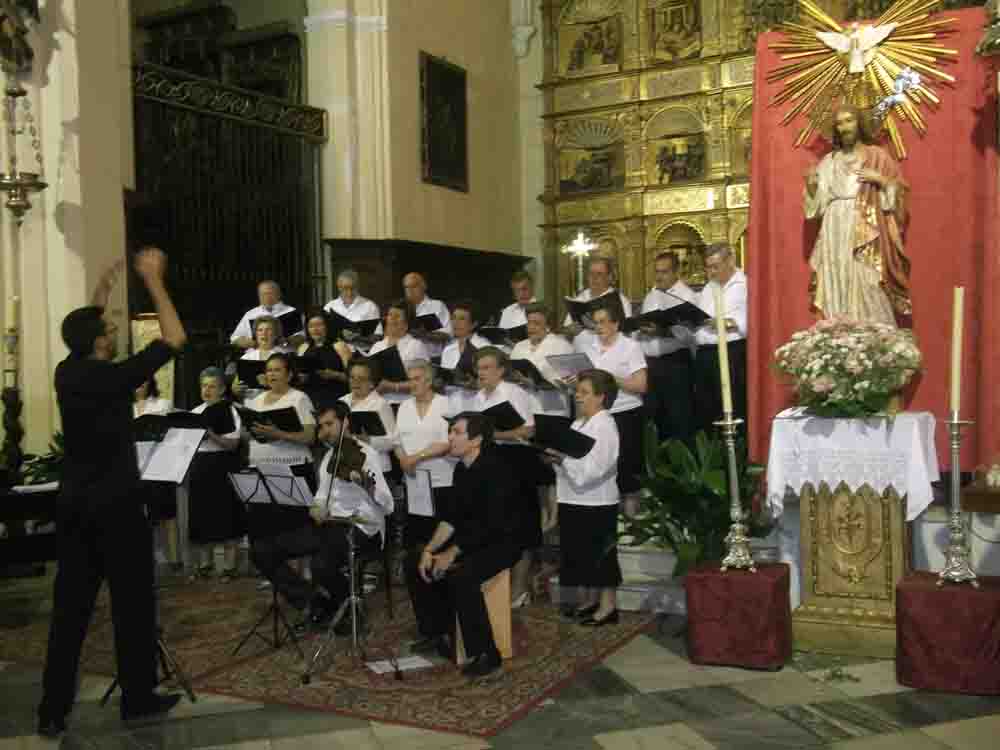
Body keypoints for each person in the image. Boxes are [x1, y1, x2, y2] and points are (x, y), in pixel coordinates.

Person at [39, 248, 187, 736]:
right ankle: (138, 700)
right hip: (117, 505)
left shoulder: (68, 372)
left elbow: (85, 331)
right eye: (107, 331)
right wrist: (154, 280)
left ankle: (52, 710)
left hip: (75, 505)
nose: (114, 332)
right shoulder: (114, 377)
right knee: (132, 604)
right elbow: (175, 338)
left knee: (70, 611)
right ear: (100, 343)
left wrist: (100, 293)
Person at [250, 403, 393, 629]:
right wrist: (316, 507)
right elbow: (321, 496)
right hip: (331, 526)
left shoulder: (366, 454)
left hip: (364, 527)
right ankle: (314, 603)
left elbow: (388, 505)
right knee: (262, 551)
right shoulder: (328, 458)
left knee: (320, 563)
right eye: (321, 426)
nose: (325, 431)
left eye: (330, 424)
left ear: (345, 422)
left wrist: (368, 486)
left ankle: (350, 609)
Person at [408, 413, 520, 678]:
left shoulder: (496, 469)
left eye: (457, 432)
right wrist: (430, 550)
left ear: (477, 439)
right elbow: (451, 519)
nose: (450, 437)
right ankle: (438, 632)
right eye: (450, 431)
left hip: (503, 541)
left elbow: (493, 525)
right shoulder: (461, 468)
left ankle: (487, 655)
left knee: (463, 576)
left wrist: (452, 552)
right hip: (472, 538)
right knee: (413, 559)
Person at [805, 103, 910, 324]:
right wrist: (812, 186)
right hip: (834, 229)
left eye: (849, 121)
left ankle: (877, 338)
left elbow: (899, 192)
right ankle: (841, 336)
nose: (844, 127)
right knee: (838, 280)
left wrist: (880, 179)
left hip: (866, 225)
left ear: (859, 124)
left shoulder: (877, 156)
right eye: (839, 123)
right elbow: (816, 208)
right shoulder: (829, 161)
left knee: (868, 279)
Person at [544, 369, 621, 626]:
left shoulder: (606, 426)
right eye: (577, 392)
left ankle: (608, 606)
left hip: (597, 500)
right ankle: (590, 600)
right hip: (573, 498)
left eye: (584, 393)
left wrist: (563, 460)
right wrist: (556, 460)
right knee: (579, 554)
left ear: (601, 397)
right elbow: (570, 463)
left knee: (601, 556)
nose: (578, 397)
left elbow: (596, 469)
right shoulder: (578, 424)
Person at [473, 346, 539, 607]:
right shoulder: (477, 397)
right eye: (479, 368)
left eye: (487, 368)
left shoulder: (515, 392)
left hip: (517, 462)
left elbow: (529, 430)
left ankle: (520, 588)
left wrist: (496, 434)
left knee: (521, 527)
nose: (481, 373)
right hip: (490, 462)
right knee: (496, 526)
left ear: (501, 370)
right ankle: (496, 586)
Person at [574, 301, 647, 498]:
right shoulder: (589, 347)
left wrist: (610, 378)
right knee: (599, 464)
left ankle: (632, 519)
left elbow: (641, 385)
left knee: (627, 467)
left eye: (603, 322)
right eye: (595, 323)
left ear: (615, 324)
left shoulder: (630, 347)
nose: (598, 327)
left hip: (625, 412)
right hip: (595, 415)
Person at [395, 361, 456, 572]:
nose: (411, 383)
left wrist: (416, 457)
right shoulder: (404, 407)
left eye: (416, 378)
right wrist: (403, 459)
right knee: (417, 540)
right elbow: (397, 441)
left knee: (440, 538)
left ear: (429, 381)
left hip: (442, 481)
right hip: (414, 483)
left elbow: (448, 442)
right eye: (409, 379)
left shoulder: (446, 404)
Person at [186, 367, 244, 583]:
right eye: (203, 386)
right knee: (201, 515)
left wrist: (210, 433)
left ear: (221, 389)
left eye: (212, 386)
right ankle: (204, 564)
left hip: (223, 465)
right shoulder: (195, 412)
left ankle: (229, 567)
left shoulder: (230, 410)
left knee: (226, 515)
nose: (206, 390)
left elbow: (233, 443)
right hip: (200, 465)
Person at [638, 251, 696, 442]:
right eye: (657, 272)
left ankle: (681, 467)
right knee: (653, 416)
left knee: (678, 417)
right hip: (650, 364)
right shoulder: (651, 295)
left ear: (676, 271)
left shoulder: (688, 296)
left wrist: (662, 332)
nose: (660, 276)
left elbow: (691, 335)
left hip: (676, 364)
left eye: (665, 272)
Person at [693, 243, 748, 433]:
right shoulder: (709, 287)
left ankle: (737, 455)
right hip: (705, 355)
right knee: (706, 409)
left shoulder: (744, 284)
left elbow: (750, 321)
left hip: (732, 353)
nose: (711, 272)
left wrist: (723, 322)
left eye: (715, 266)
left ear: (730, 261)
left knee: (734, 405)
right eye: (708, 267)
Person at [133, 377, 179, 567]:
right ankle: (147, 556)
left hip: (159, 466)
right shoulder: (124, 407)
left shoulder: (163, 404)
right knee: (141, 518)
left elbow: (173, 433)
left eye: (144, 380)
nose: (140, 384)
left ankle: (175, 558)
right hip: (134, 467)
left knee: (167, 515)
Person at [510, 303, 574, 419]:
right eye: (529, 322)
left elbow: (568, 384)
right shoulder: (519, 347)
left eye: (537, 323)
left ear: (548, 326)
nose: (531, 327)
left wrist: (535, 384)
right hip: (523, 410)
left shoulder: (562, 346)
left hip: (552, 412)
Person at [368, 300, 432, 407]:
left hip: (406, 404)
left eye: (397, 316)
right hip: (378, 405)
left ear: (406, 323)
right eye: (390, 315)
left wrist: (392, 386)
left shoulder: (415, 345)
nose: (392, 319)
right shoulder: (377, 346)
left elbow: (425, 381)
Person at [340, 358, 397, 477]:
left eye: (361, 379)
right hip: (348, 467)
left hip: (376, 468)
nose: (355, 382)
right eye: (352, 377)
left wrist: (367, 439)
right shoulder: (341, 401)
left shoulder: (380, 404)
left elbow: (392, 442)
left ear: (372, 383)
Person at [562, 256, 632, 349]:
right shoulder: (580, 298)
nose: (594, 278)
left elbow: (627, 334)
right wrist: (570, 331)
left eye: (599, 274)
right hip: (581, 355)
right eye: (591, 274)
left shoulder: (621, 301)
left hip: (608, 357)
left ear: (610, 277)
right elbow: (566, 333)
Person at [440, 300, 490, 414]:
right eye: (453, 318)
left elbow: (495, 381)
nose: (455, 323)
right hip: (451, 409)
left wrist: (476, 384)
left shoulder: (484, 347)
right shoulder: (448, 350)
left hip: (477, 409)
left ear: (473, 324)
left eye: (462, 319)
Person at [297, 309, 351, 410]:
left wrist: (335, 375)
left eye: (319, 325)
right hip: (309, 399)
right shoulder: (303, 348)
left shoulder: (340, 346)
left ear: (327, 326)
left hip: (334, 397)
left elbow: (353, 378)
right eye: (311, 326)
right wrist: (300, 377)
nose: (315, 329)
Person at [232, 316, 292, 400]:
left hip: (279, 402)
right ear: (255, 334)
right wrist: (236, 389)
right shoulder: (246, 357)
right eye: (260, 330)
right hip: (252, 403)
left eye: (268, 329)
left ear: (275, 334)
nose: (264, 333)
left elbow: (293, 384)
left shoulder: (286, 355)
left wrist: (269, 383)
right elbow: (236, 386)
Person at [230, 280, 300, 349]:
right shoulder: (250, 314)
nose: (265, 297)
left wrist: (287, 341)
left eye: (269, 293)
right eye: (262, 294)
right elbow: (235, 338)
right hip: (255, 355)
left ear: (279, 294)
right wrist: (248, 342)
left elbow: (301, 337)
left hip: (283, 354)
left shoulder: (292, 312)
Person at [400, 272, 453, 358]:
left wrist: (423, 334)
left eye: (414, 286)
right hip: (404, 359)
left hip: (428, 360)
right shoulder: (400, 309)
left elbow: (446, 336)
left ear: (424, 286)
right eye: (406, 287)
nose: (410, 290)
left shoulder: (436, 306)